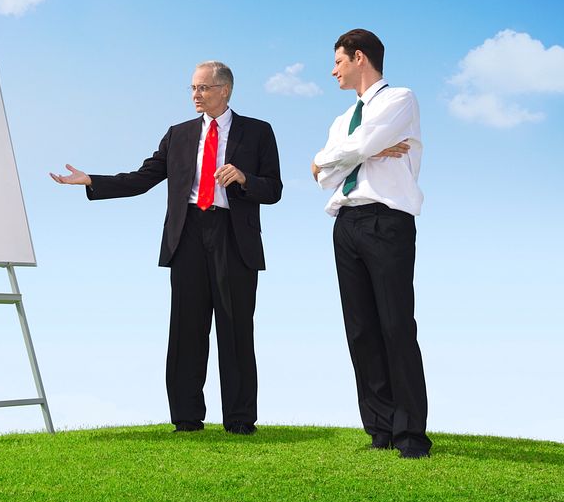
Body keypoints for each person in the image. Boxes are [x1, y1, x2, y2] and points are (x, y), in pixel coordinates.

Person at [50, 61, 282, 435]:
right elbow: (143, 178)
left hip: (233, 238)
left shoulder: (258, 132)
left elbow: (273, 189)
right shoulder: (179, 134)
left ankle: (240, 420)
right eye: (192, 88)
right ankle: (187, 419)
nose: (195, 95)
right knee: (186, 329)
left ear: (225, 90)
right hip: (186, 235)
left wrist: (243, 178)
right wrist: (92, 180)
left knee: (236, 330)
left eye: (203, 88)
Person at [311, 28, 431, 458]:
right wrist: (362, 152)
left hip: (387, 221)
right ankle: (379, 426)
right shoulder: (341, 120)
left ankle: (411, 434)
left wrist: (355, 151)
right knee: (360, 329)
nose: (333, 70)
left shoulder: (401, 99)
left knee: (396, 325)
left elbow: (355, 147)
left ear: (359, 57)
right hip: (346, 222)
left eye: (338, 61)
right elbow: (320, 172)